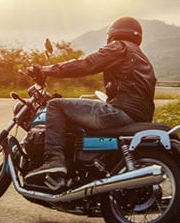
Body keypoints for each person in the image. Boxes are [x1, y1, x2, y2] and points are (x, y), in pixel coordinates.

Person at [25, 16, 157, 187]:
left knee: (55, 105)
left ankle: (54, 161)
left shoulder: (119, 47)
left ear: (113, 33)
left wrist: (47, 70)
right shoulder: (143, 57)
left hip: (121, 111)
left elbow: (87, 64)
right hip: (139, 115)